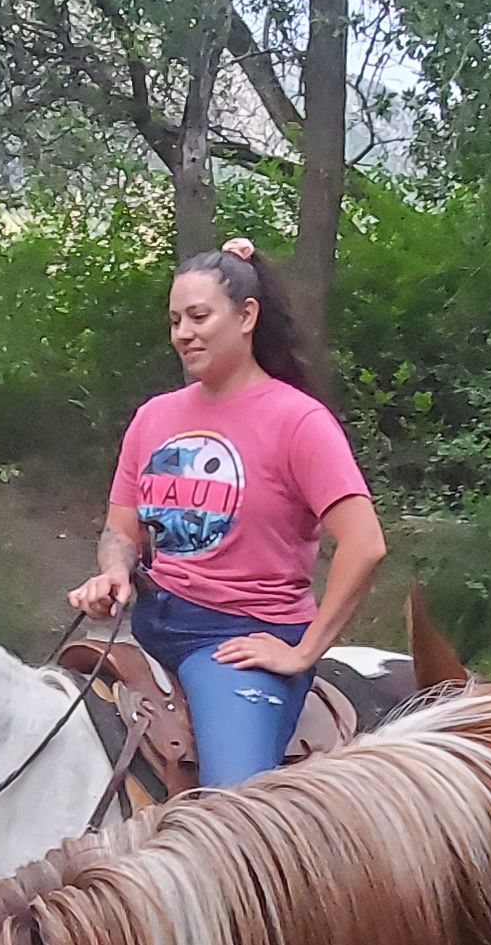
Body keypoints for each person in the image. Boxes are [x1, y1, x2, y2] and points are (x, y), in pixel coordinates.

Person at [67, 238, 387, 785]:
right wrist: (114, 574)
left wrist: (303, 653)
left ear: (246, 316)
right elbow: (121, 530)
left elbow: (365, 544)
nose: (182, 334)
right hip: (151, 623)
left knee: (228, 810)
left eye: (198, 316)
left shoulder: (297, 421)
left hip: (241, 639)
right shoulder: (153, 418)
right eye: (174, 321)